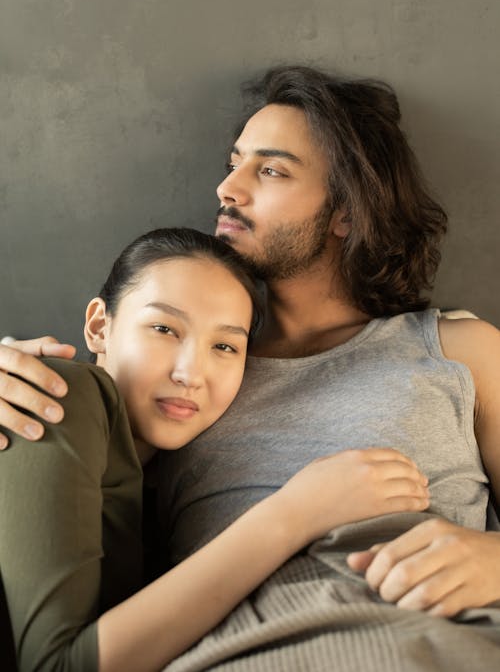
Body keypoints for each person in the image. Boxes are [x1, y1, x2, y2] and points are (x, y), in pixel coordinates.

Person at [1, 66, 500, 671]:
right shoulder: (189, 388)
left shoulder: (459, 349)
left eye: (270, 170)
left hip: (425, 637)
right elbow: (80, 474)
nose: (226, 188)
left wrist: (493, 560)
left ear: (347, 210)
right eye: (234, 162)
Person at [1, 225, 433, 672]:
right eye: (164, 328)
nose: (192, 373)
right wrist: (297, 512)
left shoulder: (165, 493)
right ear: (98, 327)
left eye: (225, 346)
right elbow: (54, 666)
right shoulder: (57, 394)